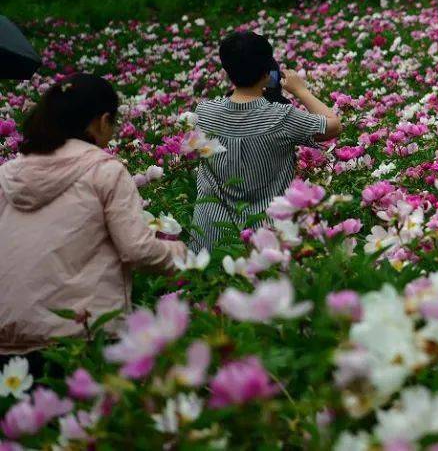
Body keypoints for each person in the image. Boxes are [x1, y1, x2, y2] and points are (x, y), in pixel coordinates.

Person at [0, 74, 187, 367]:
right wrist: (180, 254)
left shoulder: (7, 175)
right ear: (102, 121)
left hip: (9, 339)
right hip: (80, 336)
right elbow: (136, 250)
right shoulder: (104, 170)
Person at [192, 31, 342, 250]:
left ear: (226, 72)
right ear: (267, 72)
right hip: (265, 242)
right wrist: (300, 90)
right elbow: (334, 125)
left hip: (210, 238)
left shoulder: (204, 113)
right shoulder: (282, 117)